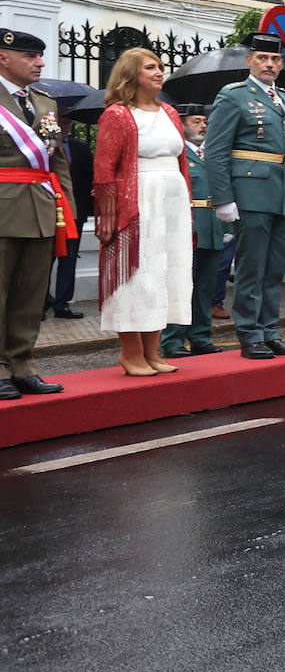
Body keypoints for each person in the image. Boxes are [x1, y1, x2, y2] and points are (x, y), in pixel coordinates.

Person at [204, 32, 285, 360]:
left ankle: (270, 330)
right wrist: (223, 198)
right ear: (249, 61)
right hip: (251, 193)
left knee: (276, 268)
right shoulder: (233, 96)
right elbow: (217, 151)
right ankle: (250, 333)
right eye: (262, 58)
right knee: (252, 267)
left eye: (275, 59)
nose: (269, 64)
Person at [93, 48, 193, 376]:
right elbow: (104, 169)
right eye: (150, 67)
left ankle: (153, 351)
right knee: (138, 278)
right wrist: (108, 216)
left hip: (172, 201)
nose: (158, 71)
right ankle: (130, 353)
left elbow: (182, 163)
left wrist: (189, 209)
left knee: (166, 274)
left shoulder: (171, 112)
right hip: (138, 204)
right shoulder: (118, 114)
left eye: (161, 66)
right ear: (131, 74)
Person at [0, 29, 75, 399]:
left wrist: (68, 210)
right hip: (3, 209)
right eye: (31, 56)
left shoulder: (44, 103)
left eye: (39, 56)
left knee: (31, 296)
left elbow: (57, 161)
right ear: (3, 58)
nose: (40, 63)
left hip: (42, 208)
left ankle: (22, 365)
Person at [160, 104, 227, 358]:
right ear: (182, 125)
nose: (202, 125)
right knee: (180, 285)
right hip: (185, 226)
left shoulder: (213, 153)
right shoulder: (177, 154)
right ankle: (173, 339)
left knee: (205, 287)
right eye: (196, 121)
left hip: (212, 226)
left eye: (203, 121)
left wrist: (227, 226)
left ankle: (200, 336)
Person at [47, 116, 93, 319]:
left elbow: (89, 178)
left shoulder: (81, 148)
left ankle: (62, 303)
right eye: (61, 123)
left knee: (69, 258)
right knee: (45, 259)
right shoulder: (42, 148)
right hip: (48, 210)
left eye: (67, 123)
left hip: (75, 211)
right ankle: (40, 302)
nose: (64, 127)